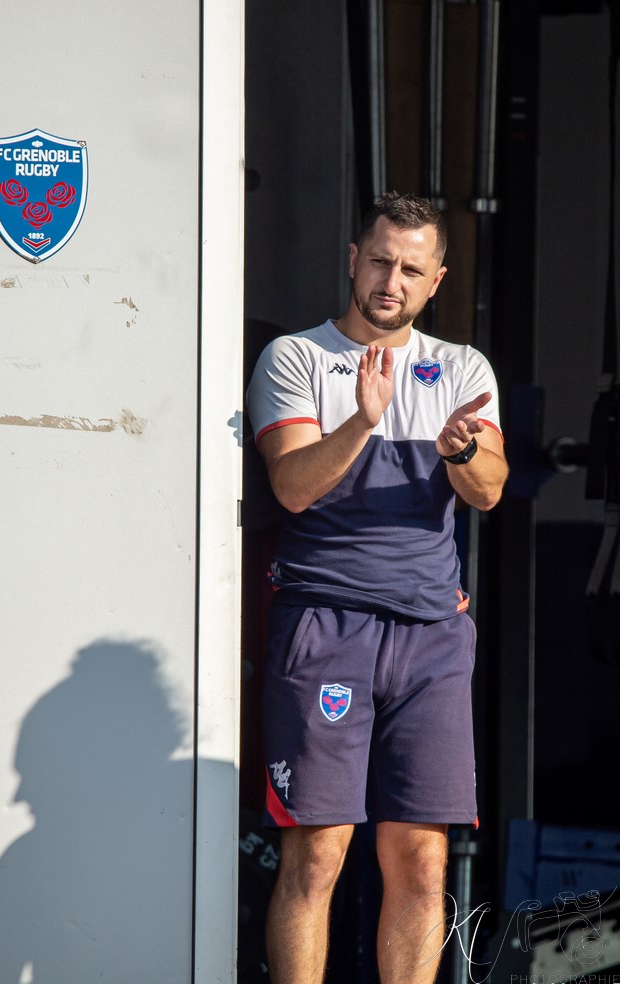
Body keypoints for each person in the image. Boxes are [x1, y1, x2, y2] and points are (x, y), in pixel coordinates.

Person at [246, 192, 508, 984]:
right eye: (380, 260)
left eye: (411, 269)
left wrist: (462, 451)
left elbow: (489, 491)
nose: (392, 279)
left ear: (436, 281)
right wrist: (361, 421)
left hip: (431, 637)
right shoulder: (295, 357)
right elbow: (291, 486)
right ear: (353, 259)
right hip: (326, 627)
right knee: (317, 854)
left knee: (423, 862)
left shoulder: (461, 368)